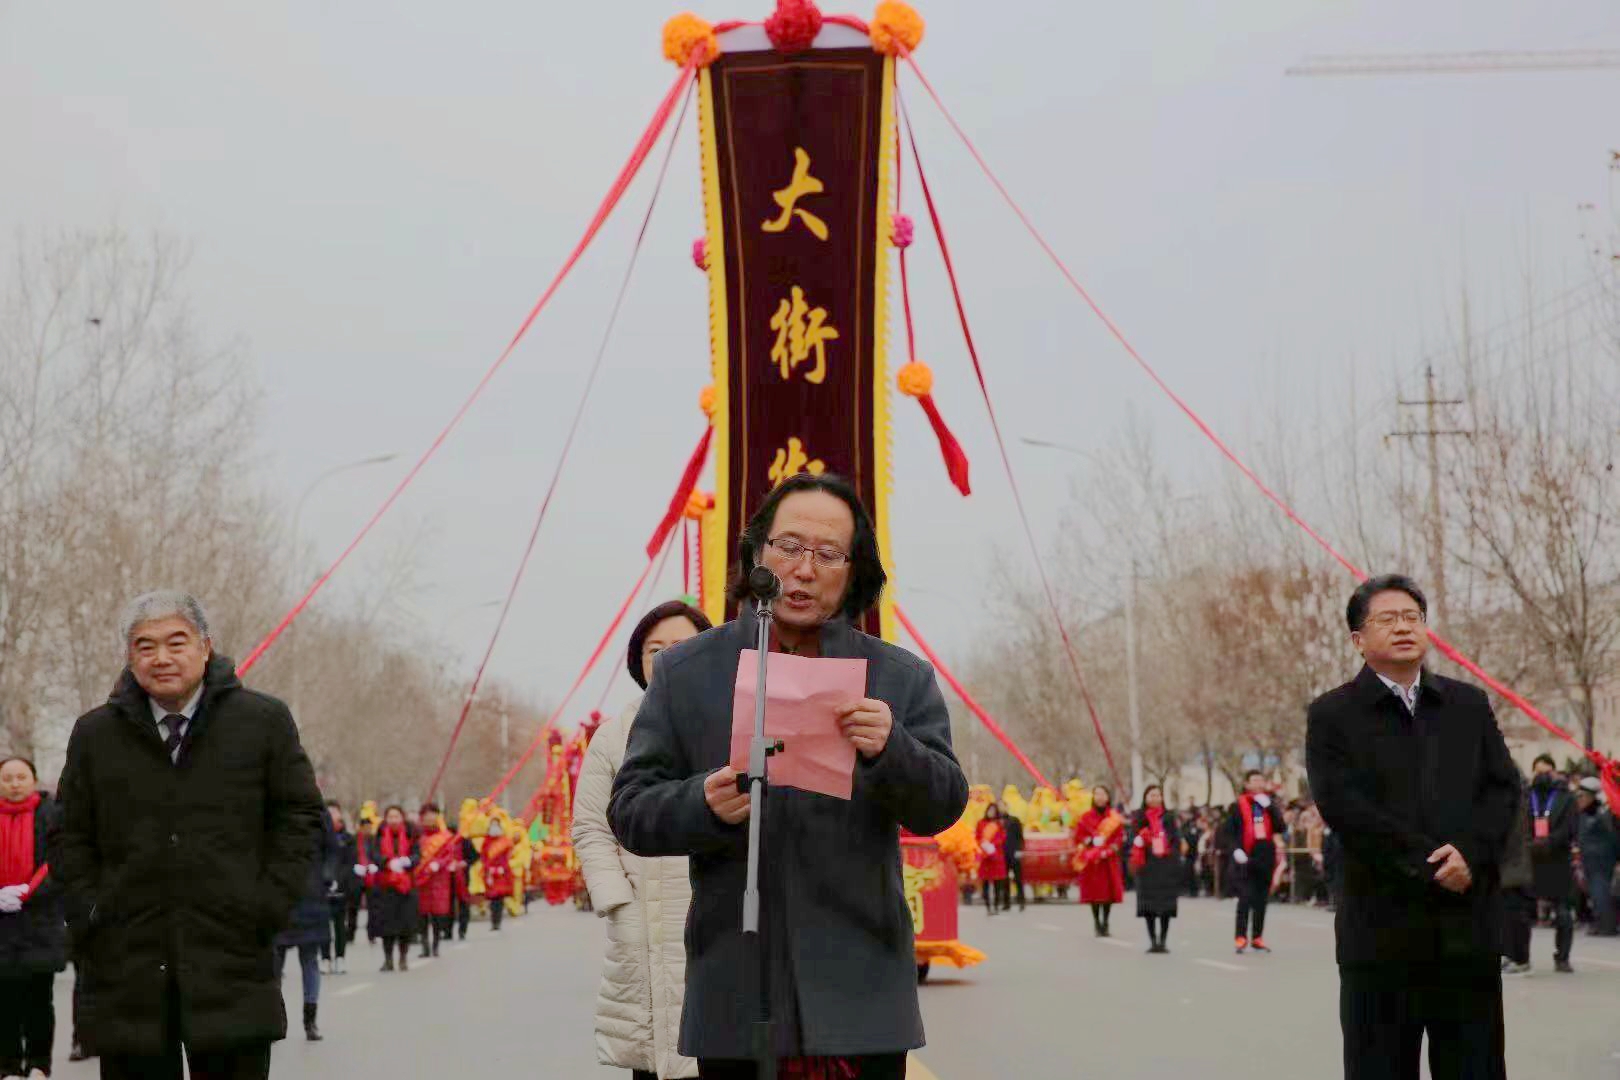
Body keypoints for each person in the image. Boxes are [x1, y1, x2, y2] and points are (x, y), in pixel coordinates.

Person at [609, 472, 969, 1079]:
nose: (804, 569)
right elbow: (630, 810)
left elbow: (943, 804)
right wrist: (702, 804)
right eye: (789, 546)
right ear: (757, 551)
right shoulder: (688, 672)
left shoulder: (900, 678)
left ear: (855, 571)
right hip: (736, 995)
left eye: (828, 554)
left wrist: (894, 749)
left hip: (862, 1000)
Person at [54, 590, 324, 1080]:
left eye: (176, 642)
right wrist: (91, 913)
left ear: (205, 647)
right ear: (130, 656)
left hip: (231, 957)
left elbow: (300, 818)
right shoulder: (96, 734)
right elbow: (69, 834)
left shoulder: (261, 722)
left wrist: (267, 904)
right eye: (145, 646)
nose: (161, 658)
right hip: (128, 965)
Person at [1305, 575, 1517, 1080]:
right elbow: (1344, 808)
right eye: (1387, 619)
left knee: (1475, 1067)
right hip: (1380, 935)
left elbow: (1503, 789)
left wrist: (1469, 853)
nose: (1403, 628)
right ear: (1358, 639)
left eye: (1412, 618)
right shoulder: (1333, 714)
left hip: (1465, 932)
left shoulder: (1467, 705)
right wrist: (1432, 866)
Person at [575, 599, 712, 1080]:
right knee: (655, 1055)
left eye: (683, 645)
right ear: (639, 661)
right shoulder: (613, 736)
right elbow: (591, 826)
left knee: (720, 1051)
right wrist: (618, 902)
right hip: (644, 919)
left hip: (716, 914)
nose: (669, 656)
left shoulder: (734, 725)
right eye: (656, 649)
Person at [0, 756, 65, 1080]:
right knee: (4, 1002)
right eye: (7, 778)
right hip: (2, 926)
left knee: (39, 1000)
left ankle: (39, 1065)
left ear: (33, 779)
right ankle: (8, 1066)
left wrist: (28, 892)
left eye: (21, 777)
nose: (14, 784)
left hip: (40, 921)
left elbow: (60, 860)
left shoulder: (51, 814)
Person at [273, 803, 337, 1042]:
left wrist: (328, 876)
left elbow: (332, 849)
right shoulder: (272, 807)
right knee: (274, 963)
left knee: (310, 959)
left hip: (312, 895)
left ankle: (310, 1020)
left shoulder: (319, 812)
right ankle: (275, 1020)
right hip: (279, 895)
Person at [1519, 753, 1578, 972]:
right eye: (1538, 771)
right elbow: (1518, 823)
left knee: (1563, 914)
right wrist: (1529, 843)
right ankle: (1521, 957)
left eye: (1546, 771)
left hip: (1558, 860)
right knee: (1522, 912)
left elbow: (1570, 827)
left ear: (1553, 772)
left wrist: (1549, 842)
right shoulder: (1525, 796)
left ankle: (1562, 957)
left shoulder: (1566, 797)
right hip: (1531, 861)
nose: (1542, 776)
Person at [1224, 770, 1286, 954]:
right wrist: (1236, 850)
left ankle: (1257, 937)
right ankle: (1240, 936)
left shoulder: (1268, 804)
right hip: (1245, 854)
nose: (1258, 783)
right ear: (1247, 784)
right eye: (1254, 780)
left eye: (1261, 780)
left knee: (1261, 898)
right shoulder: (1237, 805)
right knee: (1245, 897)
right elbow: (1229, 832)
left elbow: (1281, 827)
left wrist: (1271, 808)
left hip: (1264, 854)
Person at [364, 805, 419, 972]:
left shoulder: (411, 833)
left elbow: (417, 854)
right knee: (387, 925)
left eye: (396, 816)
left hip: (406, 885)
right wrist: (386, 862)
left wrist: (408, 861)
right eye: (390, 817)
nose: (393, 820)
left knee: (405, 924)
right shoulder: (379, 835)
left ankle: (403, 957)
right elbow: (373, 854)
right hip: (385, 884)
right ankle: (388, 959)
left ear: (402, 818)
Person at [1130, 785, 1182, 954]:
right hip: (1147, 866)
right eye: (1151, 795)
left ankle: (1163, 940)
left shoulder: (1169, 817)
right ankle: (1153, 940)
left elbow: (1176, 839)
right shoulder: (1139, 817)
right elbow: (1132, 838)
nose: (1155, 798)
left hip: (1165, 866)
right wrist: (1139, 839)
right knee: (1149, 906)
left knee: (1166, 906)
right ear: (1145, 798)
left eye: (1158, 795)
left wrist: (1172, 855)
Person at [1072, 785, 1125, 936]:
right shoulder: (1085, 818)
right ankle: (1096, 921)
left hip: (1108, 860)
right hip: (1092, 861)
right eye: (1097, 794)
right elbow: (1078, 836)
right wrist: (1090, 841)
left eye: (1103, 794)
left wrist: (1112, 847)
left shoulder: (1114, 818)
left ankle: (1106, 921)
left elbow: (1119, 836)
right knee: (1094, 893)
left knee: (1108, 893)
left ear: (1108, 797)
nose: (1100, 797)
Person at [1574, 777, 1617, 937]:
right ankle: (1599, 922)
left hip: (1601, 859)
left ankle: (1606, 925)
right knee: (1594, 892)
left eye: (1582, 795)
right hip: (1589, 858)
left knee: (1601, 891)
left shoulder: (1603, 813)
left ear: (1592, 796)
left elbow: (1613, 837)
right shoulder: (1585, 814)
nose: (1579, 799)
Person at [414, 802, 457, 959]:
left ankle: (436, 944)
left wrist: (438, 864)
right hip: (421, 879)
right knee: (422, 914)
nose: (429, 819)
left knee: (438, 914)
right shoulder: (417, 837)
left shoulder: (445, 837)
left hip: (439, 880)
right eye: (426, 817)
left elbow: (449, 855)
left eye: (432, 816)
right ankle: (425, 945)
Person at [322, 803, 359, 975]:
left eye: (334, 812)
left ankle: (340, 958)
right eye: (327, 812)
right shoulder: (318, 836)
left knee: (339, 925)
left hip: (341, 887)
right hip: (322, 887)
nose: (331, 815)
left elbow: (350, 863)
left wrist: (339, 881)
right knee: (323, 925)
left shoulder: (348, 838)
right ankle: (325, 958)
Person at [480, 818, 515, 930]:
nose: (494, 827)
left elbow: (508, 857)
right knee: (492, 898)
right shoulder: (486, 842)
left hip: (501, 873)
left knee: (499, 897)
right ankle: (493, 921)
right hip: (490, 873)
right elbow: (484, 857)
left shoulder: (505, 841)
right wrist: (488, 869)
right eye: (492, 825)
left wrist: (502, 868)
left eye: (496, 825)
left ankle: (497, 921)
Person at [975, 805, 1010, 914]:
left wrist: (993, 845)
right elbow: (977, 837)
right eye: (990, 810)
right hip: (985, 856)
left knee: (997, 883)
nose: (991, 812)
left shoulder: (999, 824)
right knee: (985, 883)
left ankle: (996, 906)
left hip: (996, 856)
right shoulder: (980, 823)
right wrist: (983, 845)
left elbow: (1002, 837)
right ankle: (988, 907)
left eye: (993, 811)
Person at [1002, 807, 1026, 911]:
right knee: (1004, 880)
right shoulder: (996, 822)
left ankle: (1021, 901)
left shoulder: (1014, 820)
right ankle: (1006, 903)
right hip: (1002, 854)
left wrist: (1020, 849)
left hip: (1014, 853)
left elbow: (1020, 836)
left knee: (1018, 878)